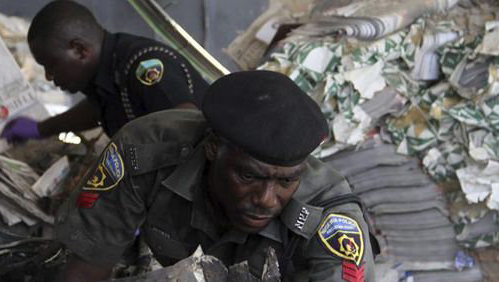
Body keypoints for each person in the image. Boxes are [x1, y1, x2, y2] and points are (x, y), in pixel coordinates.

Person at [55, 70, 376, 282]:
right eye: (249, 176)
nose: (266, 200)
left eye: (285, 181)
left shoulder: (329, 215)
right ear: (212, 148)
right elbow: (87, 263)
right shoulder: (144, 152)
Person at [0, 0, 208, 142]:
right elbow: (98, 107)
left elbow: (187, 125)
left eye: (51, 65)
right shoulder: (106, 74)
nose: (49, 76)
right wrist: (40, 129)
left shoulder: (144, 66)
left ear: (80, 50)